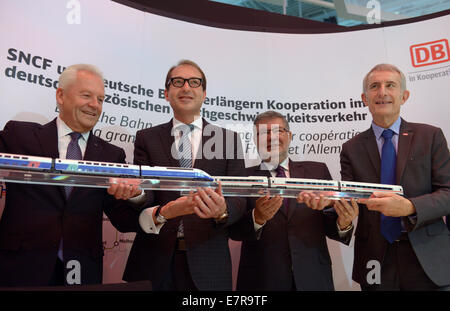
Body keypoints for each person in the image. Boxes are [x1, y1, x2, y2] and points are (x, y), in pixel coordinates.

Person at [0, 64, 140, 287]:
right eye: (87, 95)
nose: (95, 105)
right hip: (20, 268)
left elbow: (123, 218)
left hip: (82, 272)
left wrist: (136, 196)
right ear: (61, 96)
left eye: (101, 99)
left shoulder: (112, 154)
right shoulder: (19, 135)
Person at [113, 59, 246, 291]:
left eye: (194, 82)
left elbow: (239, 199)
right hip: (154, 258)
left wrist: (223, 210)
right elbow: (146, 196)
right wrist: (136, 194)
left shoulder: (228, 140)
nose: (186, 87)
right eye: (178, 82)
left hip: (209, 261)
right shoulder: (147, 138)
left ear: (204, 94)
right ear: (166, 93)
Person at [340, 63, 450, 290]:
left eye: (390, 85)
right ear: (364, 98)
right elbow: (349, 200)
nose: (382, 92)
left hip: (428, 256)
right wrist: (333, 206)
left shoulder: (430, 136)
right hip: (375, 260)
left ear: (404, 96)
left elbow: (448, 193)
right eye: (374, 86)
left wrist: (410, 207)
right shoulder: (351, 148)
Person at [229, 111, 358, 291]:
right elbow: (232, 229)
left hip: (313, 277)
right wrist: (257, 217)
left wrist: (343, 222)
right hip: (261, 280)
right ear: (255, 139)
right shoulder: (242, 176)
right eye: (264, 133)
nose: (271, 137)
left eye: (278, 131)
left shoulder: (317, 172)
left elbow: (331, 225)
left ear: (289, 136)